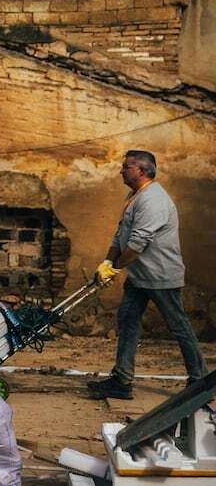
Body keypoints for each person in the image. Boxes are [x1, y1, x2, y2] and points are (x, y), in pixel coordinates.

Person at [87, 150, 208, 400]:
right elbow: (121, 235)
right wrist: (108, 261)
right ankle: (122, 380)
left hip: (161, 276)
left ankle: (200, 383)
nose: (121, 170)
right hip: (140, 277)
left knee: (179, 326)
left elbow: (138, 242)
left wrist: (116, 268)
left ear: (142, 171)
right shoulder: (134, 195)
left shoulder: (153, 199)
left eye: (126, 166)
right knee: (127, 322)